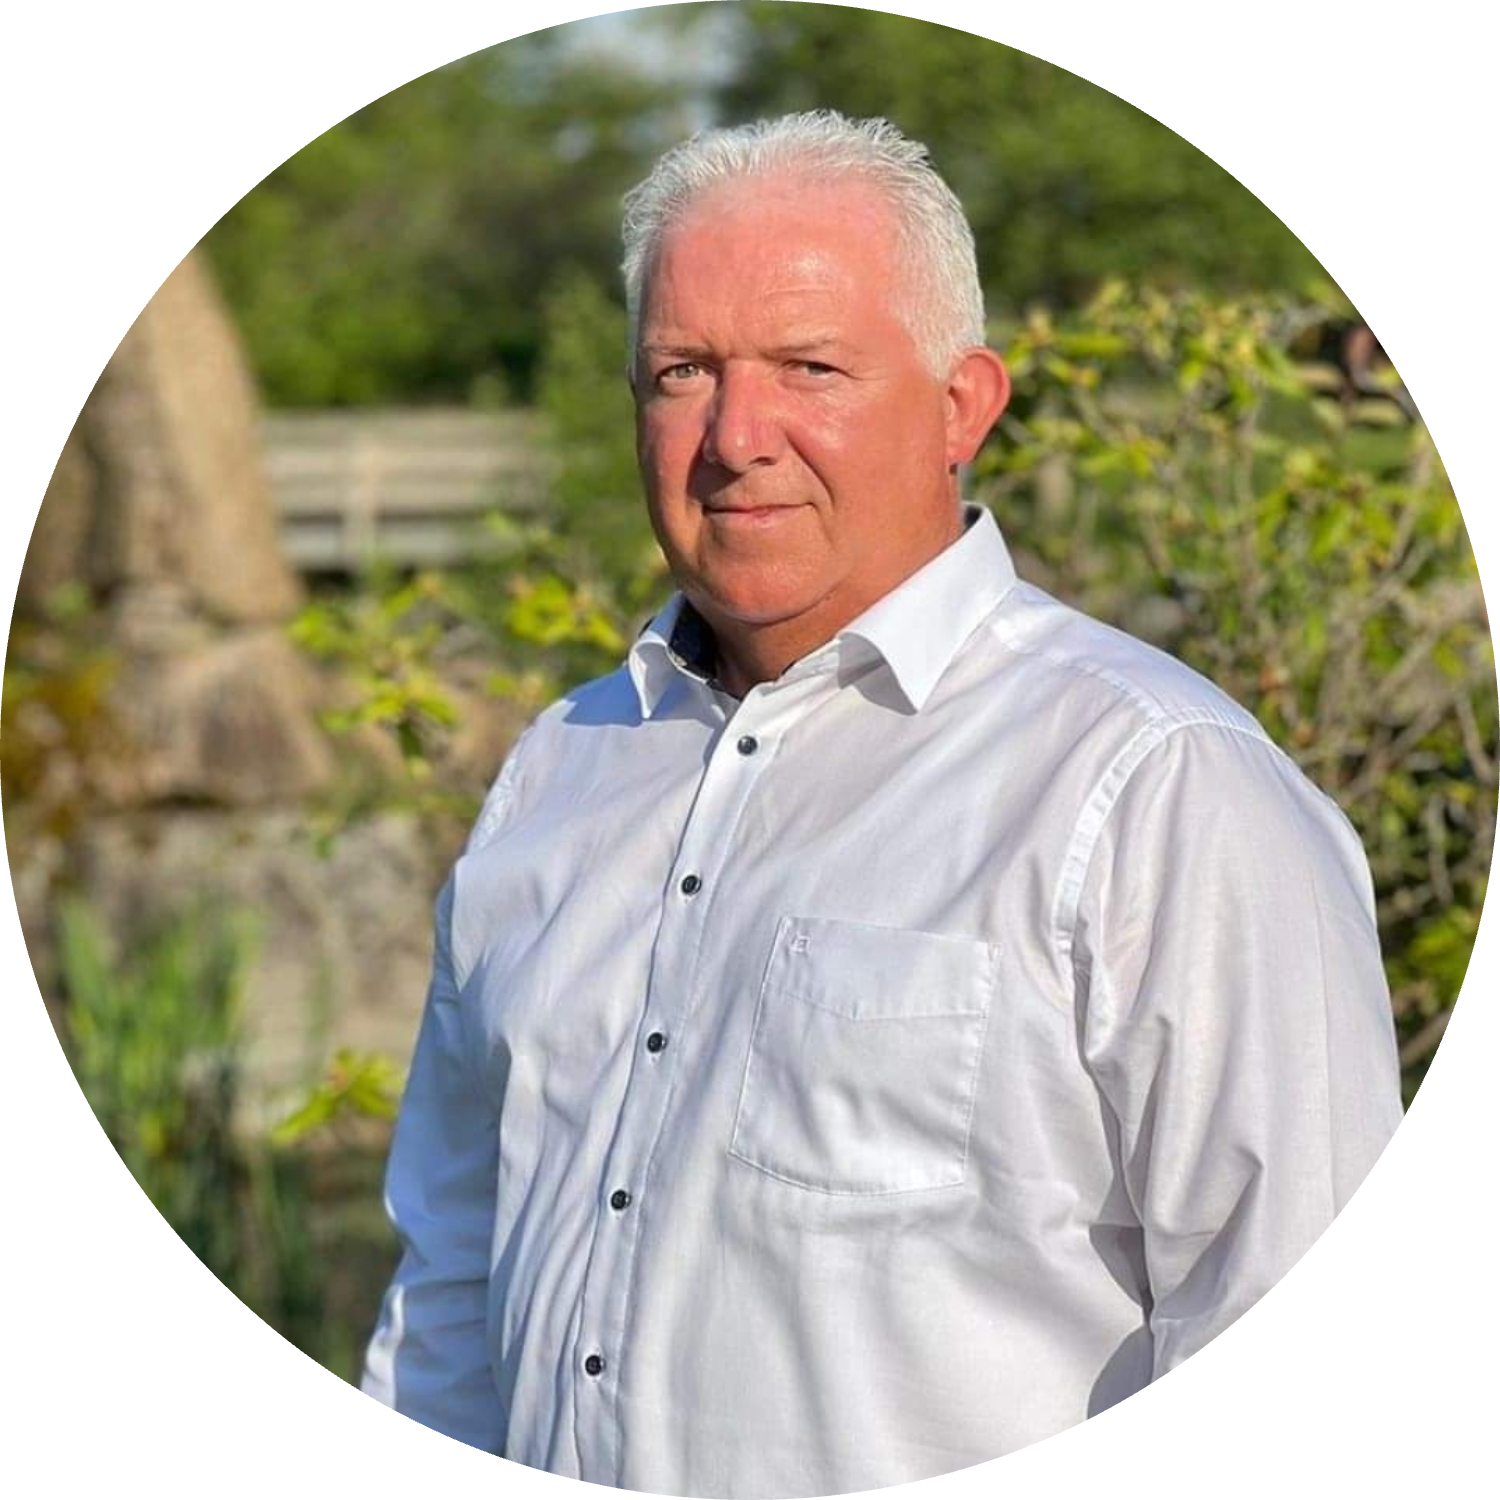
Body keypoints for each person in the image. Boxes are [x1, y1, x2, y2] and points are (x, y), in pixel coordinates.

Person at [360, 111, 1403, 1495]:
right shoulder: (560, 769)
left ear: (963, 405)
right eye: (682, 372)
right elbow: (450, 1286)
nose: (737, 438)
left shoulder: (1157, 785)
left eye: (810, 367)